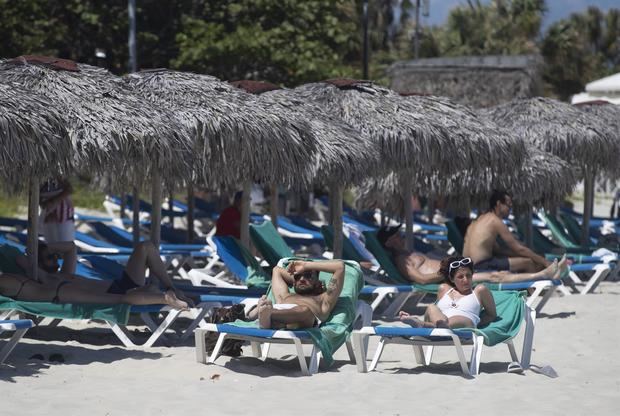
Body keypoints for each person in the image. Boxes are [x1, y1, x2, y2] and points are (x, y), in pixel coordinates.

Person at [0, 240, 193, 306]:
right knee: (141, 292)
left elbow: (71, 247)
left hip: (122, 284)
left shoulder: (65, 272)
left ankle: (171, 287)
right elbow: (23, 263)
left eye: (53, 256)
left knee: (146, 246)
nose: (55, 258)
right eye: (50, 258)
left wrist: (46, 247)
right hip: (117, 293)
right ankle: (163, 295)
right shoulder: (44, 279)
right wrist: (30, 260)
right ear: (39, 264)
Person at [378, 225, 566, 284]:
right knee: (495, 276)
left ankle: (545, 274)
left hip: (456, 270)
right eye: (395, 237)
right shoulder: (402, 260)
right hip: (451, 277)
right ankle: (542, 275)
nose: (400, 237)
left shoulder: (409, 252)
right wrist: (447, 272)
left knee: (500, 274)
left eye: (399, 234)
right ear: (388, 243)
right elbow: (420, 280)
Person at [463, 190, 550, 273]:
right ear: (499, 204)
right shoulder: (495, 221)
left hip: (467, 265)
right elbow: (519, 249)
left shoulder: (478, 220)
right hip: (481, 266)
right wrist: (544, 261)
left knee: (523, 259)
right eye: (508, 206)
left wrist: (521, 254)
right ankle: (532, 288)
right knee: (528, 263)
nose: (510, 209)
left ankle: (523, 286)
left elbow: (497, 250)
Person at [399, 256, 496, 329]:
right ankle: (438, 326)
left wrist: (476, 323)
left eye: (468, 275)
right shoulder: (444, 289)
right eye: (460, 277)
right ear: (452, 279)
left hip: (465, 322)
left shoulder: (479, 291)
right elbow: (433, 315)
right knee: (431, 307)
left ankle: (421, 324)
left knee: (456, 319)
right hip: (440, 321)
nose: (465, 280)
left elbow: (492, 315)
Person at [252, 260, 345, 329]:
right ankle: (264, 316)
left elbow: (340, 267)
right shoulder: (285, 295)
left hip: (303, 319)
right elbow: (277, 270)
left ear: (317, 282)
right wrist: (298, 277)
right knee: (265, 303)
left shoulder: (324, 300)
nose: (301, 279)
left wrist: (305, 266)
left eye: (308, 276)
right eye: (297, 277)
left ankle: (264, 314)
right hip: (276, 313)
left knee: (305, 310)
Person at [39, 176, 75, 243]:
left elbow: (69, 190)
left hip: (64, 217)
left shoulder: (58, 176)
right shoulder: (39, 179)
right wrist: (47, 205)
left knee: (65, 245)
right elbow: (38, 199)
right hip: (48, 216)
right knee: (51, 246)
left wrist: (53, 202)